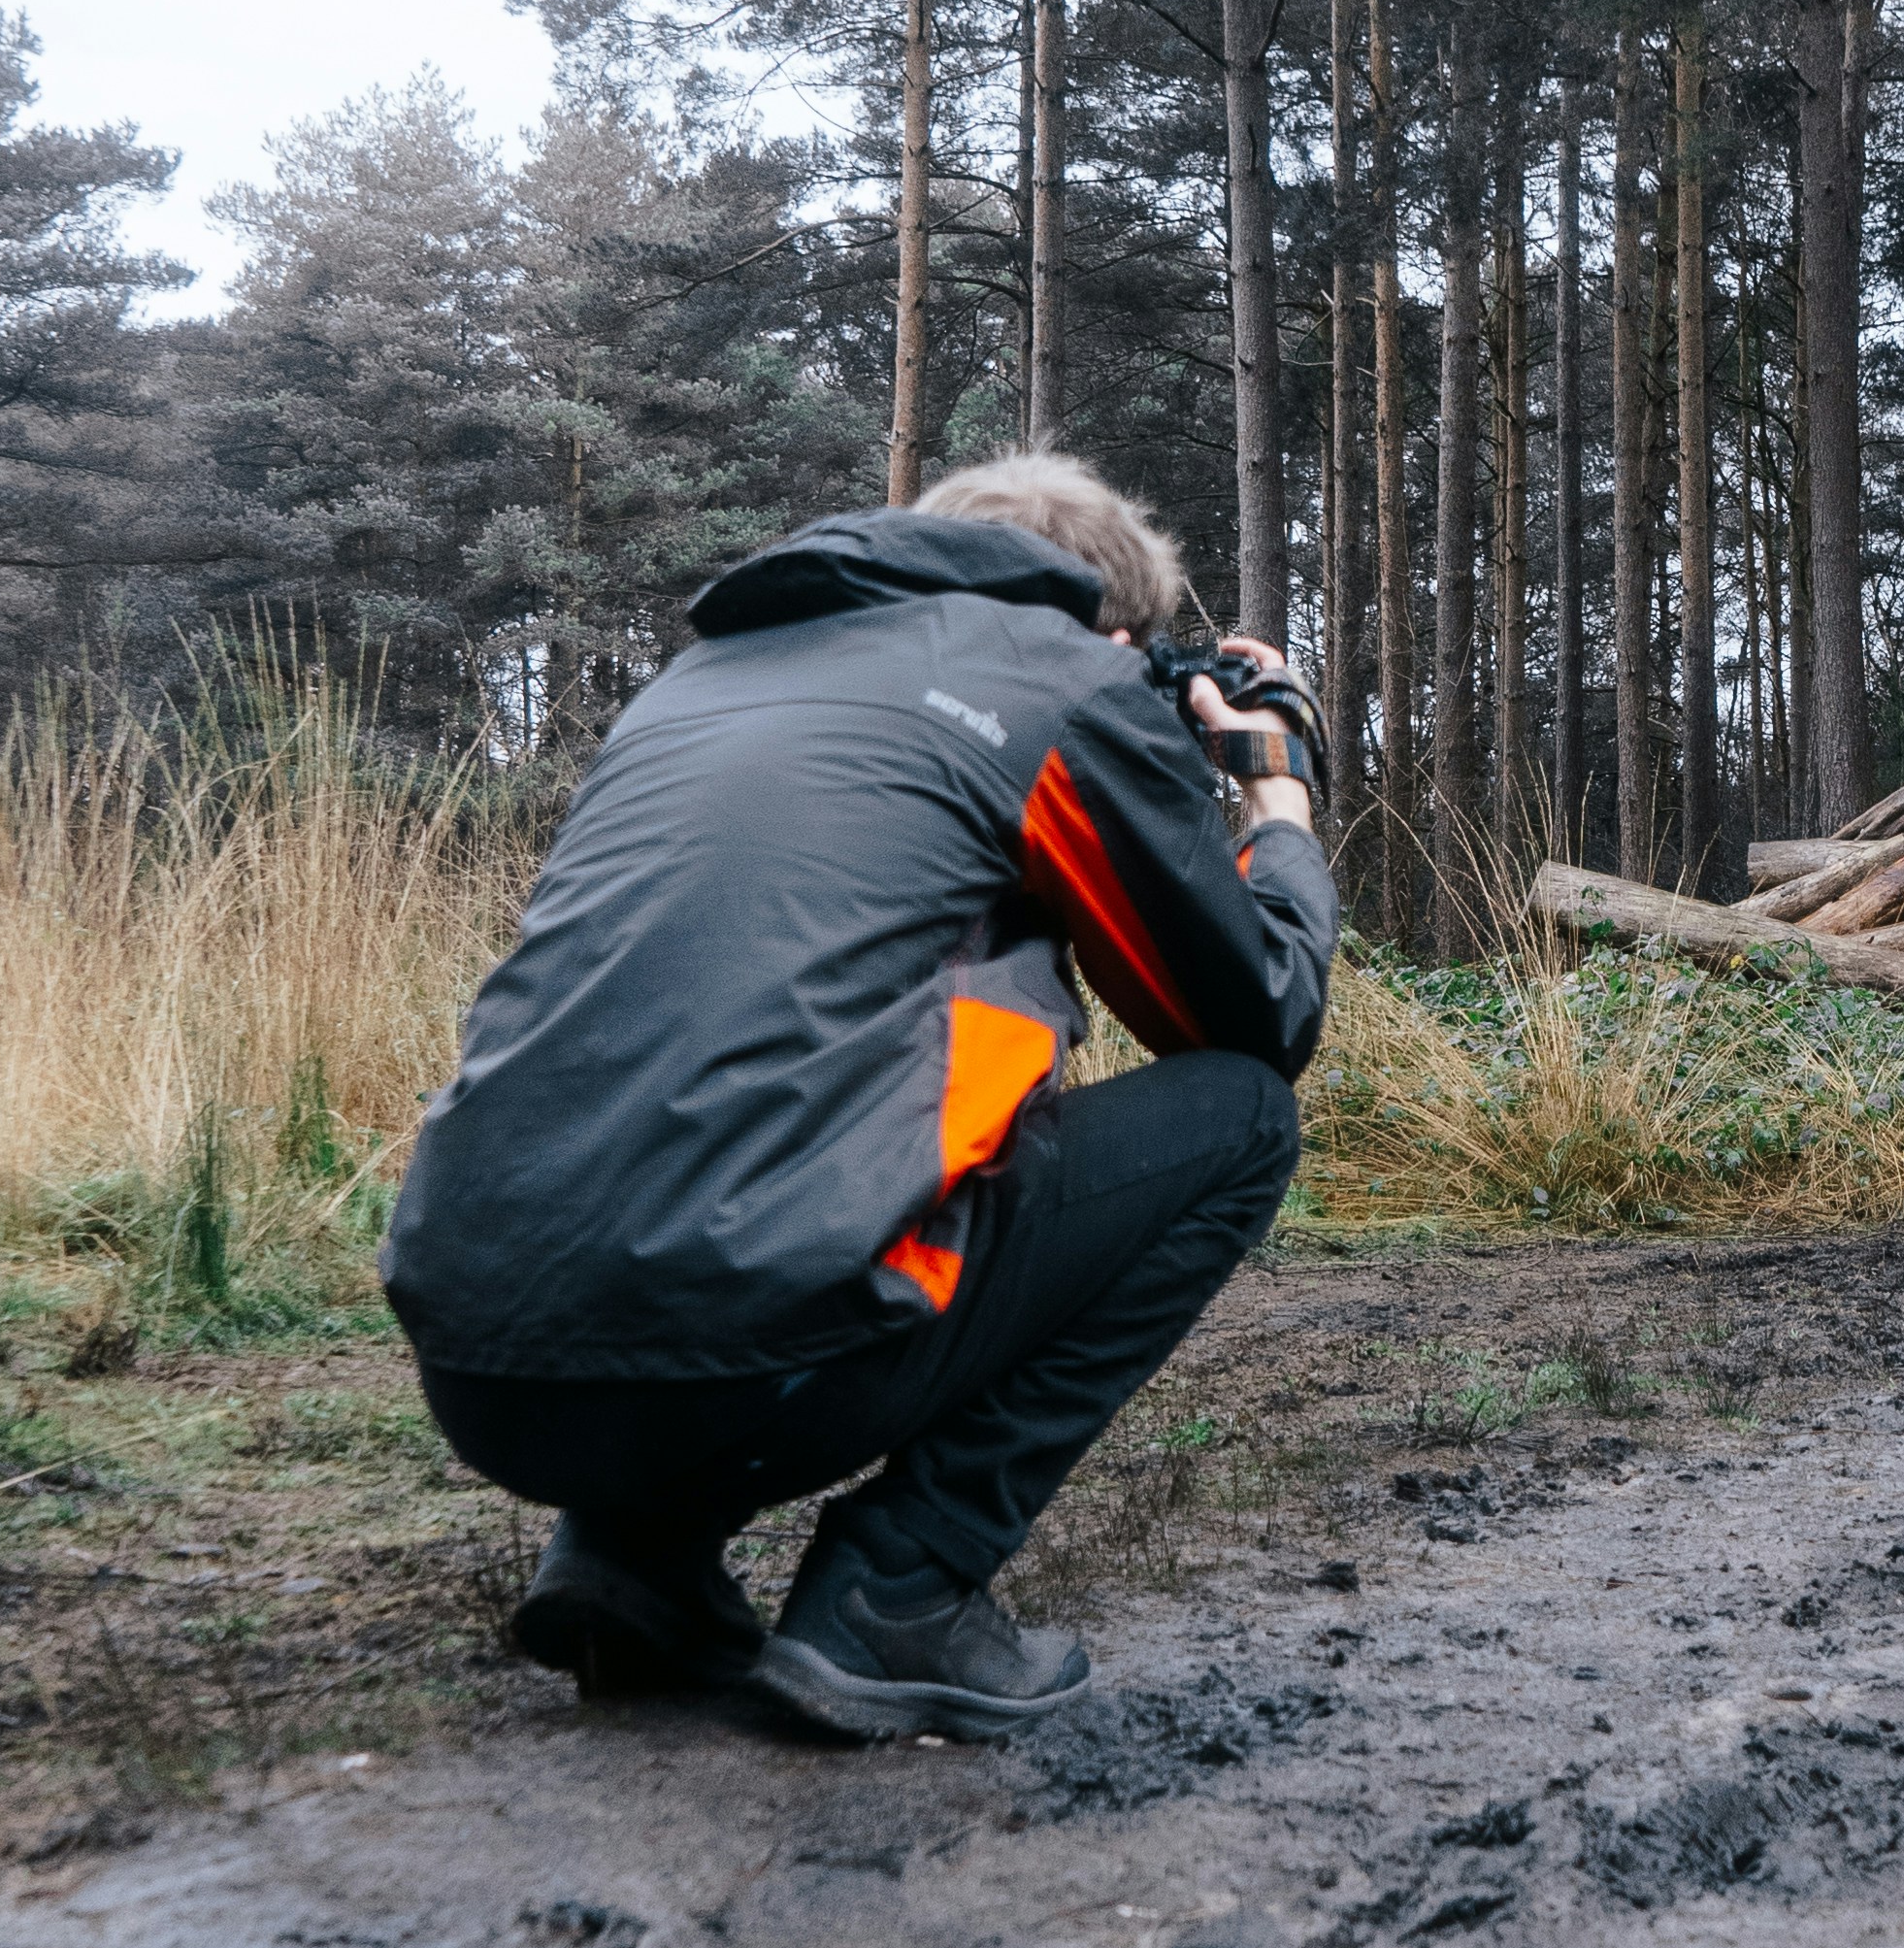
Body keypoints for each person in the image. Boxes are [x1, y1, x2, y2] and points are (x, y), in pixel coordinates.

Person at [382, 453, 1335, 1745]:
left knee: (742, 1120)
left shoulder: (695, 686)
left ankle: (632, 1560)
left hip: (485, 1375)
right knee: (1236, 1121)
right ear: (1106, 626)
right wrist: (1273, 790)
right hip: (752, 1365)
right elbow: (1255, 1020)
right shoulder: (1063, 679)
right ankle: (902, 1588)